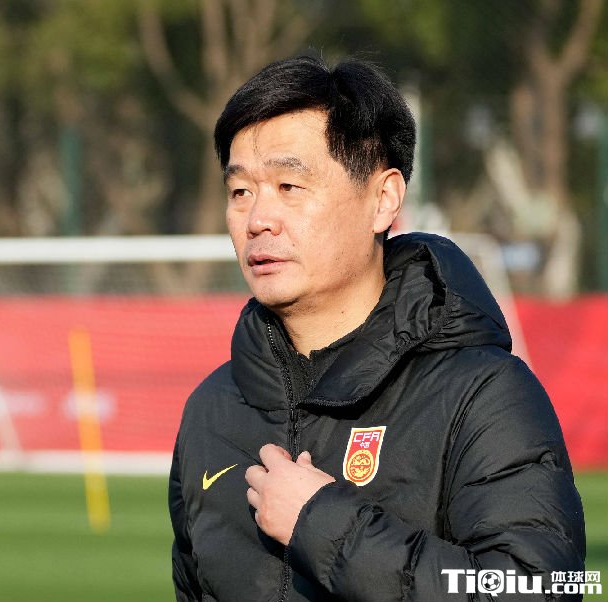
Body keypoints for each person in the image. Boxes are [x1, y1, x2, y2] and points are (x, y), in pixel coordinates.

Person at [169, 54, 586, 602]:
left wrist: (323, 526)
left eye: (289, 185)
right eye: (241, 191)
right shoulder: (212, 409)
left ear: (383, 200)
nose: (258, 220)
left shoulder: (483, 394)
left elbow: (537, 589)